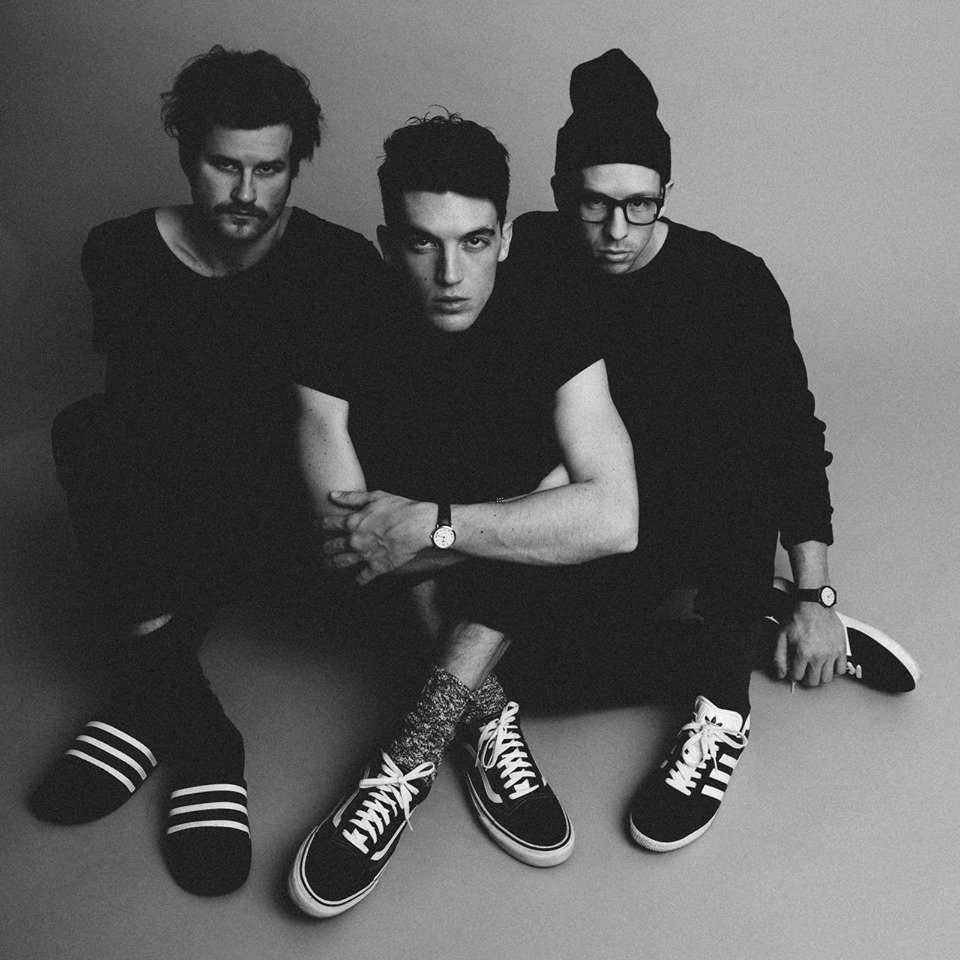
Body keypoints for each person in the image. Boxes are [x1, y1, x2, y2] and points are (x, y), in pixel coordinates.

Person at [501, 48, 920, 853]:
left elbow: (791, 439)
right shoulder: (534, 253)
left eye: (640, 205)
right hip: (600, 514)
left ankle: (724, 700)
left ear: (666, 193)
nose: (616, 231)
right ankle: (748, 636)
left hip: (713, 510)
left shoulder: (732, 283)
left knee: (739, 443)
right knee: (519, 676)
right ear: (558, 193)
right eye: (594, 204)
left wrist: (815, 597)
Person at [30, 45, 383, 896]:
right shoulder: (119, 252)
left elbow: (330, 431)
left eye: (270, 169)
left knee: (228, 469)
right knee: (87, 431)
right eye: (226, 165)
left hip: (288, 521)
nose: (246, 192)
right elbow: (143, 422)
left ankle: (149, 692)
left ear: (296, 167)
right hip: (175, 512)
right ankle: (202, 736)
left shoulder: (339, 265)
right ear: (189, 155)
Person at [287, 113, 638, 917]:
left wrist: (430, 525)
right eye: (423, 243)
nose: (451, 273)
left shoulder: (552, 305)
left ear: (505, 238)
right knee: (544, 496)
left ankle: (411, 750)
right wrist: (536, 518)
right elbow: (352, 549)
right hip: (409, 588)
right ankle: (481, 711)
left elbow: (616, 518)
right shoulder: (335, 314)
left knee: (559, 496)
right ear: (388, 243)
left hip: (475, 559)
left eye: (475, 242)